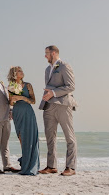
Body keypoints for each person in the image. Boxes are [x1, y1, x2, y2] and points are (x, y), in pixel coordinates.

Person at [39, 45, 78, 176]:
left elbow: (71, 86)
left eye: (47, 53)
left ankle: (71, 167)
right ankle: (51, 166)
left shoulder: (64, 66)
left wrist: (53, 93)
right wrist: (49, 96)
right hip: (48, 106)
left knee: (69, 136)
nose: (45, 56)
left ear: (53, 53)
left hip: (63, 105)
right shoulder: (47, 69)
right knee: (50, 137)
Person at [8, 66, 40, 176]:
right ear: (14, 74)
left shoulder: (28, 85)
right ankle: (25, 163)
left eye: (22, 70)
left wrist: (21, 98)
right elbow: (11, 103)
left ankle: (30, 166)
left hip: (28, 112)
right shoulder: (11, 86)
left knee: (30, 138)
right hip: (17, 113)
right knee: (21, 138)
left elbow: (33, 101)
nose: (22, 72)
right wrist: (12, 100)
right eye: (19, 71)